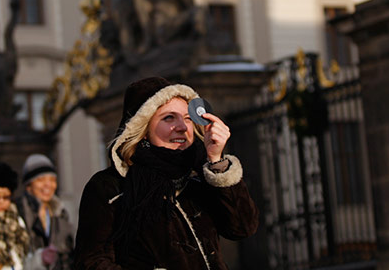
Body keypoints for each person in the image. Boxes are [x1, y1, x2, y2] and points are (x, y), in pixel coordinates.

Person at [73, 76, 259, 269]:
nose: (182, 127)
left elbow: (243, 228)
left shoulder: (199, 178)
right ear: (143, 129)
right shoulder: (109, 187)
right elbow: (91, 263)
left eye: (188, 118)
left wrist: (216, 161)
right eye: (168, 118)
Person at [17, 154, 74, 270]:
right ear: (28, 186)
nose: (48, 185)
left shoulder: (61, 213)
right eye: (40, 179)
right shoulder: (18, 212)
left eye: (52, 180)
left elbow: (68, 254)